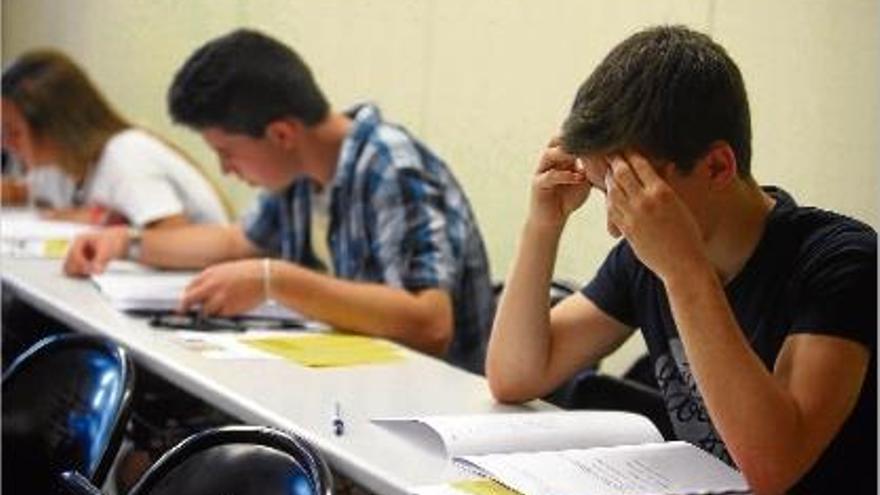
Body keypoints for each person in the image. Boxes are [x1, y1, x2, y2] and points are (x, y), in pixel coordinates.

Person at [486, 25, 876, 495]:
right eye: (604, 190)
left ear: (717, 167)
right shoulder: (646, 259)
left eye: (636, 192)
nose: (617, 225)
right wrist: (543, 227)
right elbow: (515, 375)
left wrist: (685, 271)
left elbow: (774, 467)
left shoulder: (840, 262)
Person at [64, 29, 495, 373]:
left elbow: (430, 323)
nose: (226, 170)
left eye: (227, 153)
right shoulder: (300, 175)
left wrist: (277, 281)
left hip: (426, 406)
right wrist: (126, 242)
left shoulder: (392, 166)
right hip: (352, 386)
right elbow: (235, 243)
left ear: (282, 134)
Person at [1, 49, 229, 227]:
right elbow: (22, 190)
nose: (5, 143)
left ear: (55, 126)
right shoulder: (64, 164)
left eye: (13, 132)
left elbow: (176, 233)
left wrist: (99, 221)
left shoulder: (126, 155)